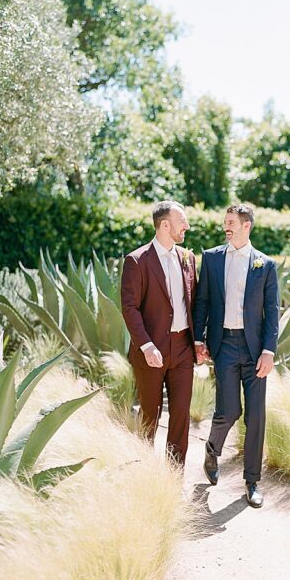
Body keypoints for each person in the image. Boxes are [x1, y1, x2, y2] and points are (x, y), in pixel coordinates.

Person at [192, 203, 279, 508]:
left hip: (255, 349)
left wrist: (269, 350)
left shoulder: (265, 265)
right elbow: (202, 301)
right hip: (224, 345)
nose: (226, 227)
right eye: (225, 222)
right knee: (228, 412)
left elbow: (273, 313)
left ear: (247, 226)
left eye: (231, 222)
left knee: (256, 416)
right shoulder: (212, 258)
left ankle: (252, 481)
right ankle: (212, 450)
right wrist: (198, 340)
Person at [121, 200, 198, 467]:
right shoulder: (137, 260)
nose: (186, 226)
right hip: (150, 350)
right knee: (149, 415)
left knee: (180, 415)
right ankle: (142, 470)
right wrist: (145, 345)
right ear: (165, 225)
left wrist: (198, 342)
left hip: (183, 349)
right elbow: (129, 308)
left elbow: (194, 303)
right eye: (182, 221)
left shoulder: (188, 259)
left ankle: (174, 475)